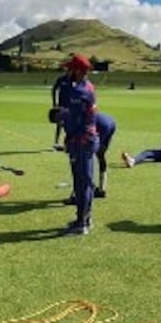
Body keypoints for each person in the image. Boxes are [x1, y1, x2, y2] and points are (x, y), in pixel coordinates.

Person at [54, 54, 99, 234]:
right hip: (80, 139)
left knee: (82, 182)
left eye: (71, 69)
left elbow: (70, 115)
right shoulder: (84, 86)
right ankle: (84, 219)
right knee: (82, 181)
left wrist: (63, 121)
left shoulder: (80, 91)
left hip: (82, 140)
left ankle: (82, 224)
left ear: (79, 71)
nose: (68, 71)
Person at [63, 110, 116, 205]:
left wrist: (70, 147)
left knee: (85, 160)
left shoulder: (70, 119)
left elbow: (72, 136)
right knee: (100, 155)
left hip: (101, 126)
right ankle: (101, 189)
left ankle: (79, 195)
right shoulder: (73, 113)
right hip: (110, 122)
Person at [50, 70, 72, 151]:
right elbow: (54, 89)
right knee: (59, 123)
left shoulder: (74, 79)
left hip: (71, 105)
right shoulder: (61, 79)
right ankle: (56, 142)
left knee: (70, 124)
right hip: (61, 105)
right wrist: (54, 102)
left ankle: (69, 143)